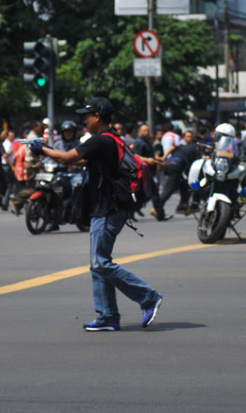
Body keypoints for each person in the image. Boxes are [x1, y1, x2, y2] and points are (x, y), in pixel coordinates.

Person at [29, 97, 163, 331]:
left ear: (97, 117)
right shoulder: (111, 140)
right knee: (97, 264)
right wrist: (49, 154)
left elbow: (67, 156)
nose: (85, 121)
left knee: (100, 262)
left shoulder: (100, 140)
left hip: (108, 209)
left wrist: (41, 148)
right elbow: (78, 161)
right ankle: (107, 317)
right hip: (107, 207)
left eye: (88, 116)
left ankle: (148, 297)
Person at [132, 124, 168, 221]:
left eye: (148, 130)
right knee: (154, 193)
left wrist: (158, 160)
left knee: (145, 194)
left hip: (148, 171)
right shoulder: (139, 142)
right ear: (139, 131)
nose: (146, 133)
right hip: (143, 171)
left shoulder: (146, 142)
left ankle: (131, 211)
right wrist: (147, 160)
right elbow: (134, 155)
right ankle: (160, 214)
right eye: (144, 131)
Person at [159, 131, 200, 216]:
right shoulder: (189, 147)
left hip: (178, 168)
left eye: (191, 136)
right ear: (184, 137)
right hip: (175, 167)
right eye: (188, 136)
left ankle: (183, 205)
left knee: (184, 186)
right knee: (170, 189)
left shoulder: (189, 147)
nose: (190, 138)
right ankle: (157, 207)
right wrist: (164, 157)